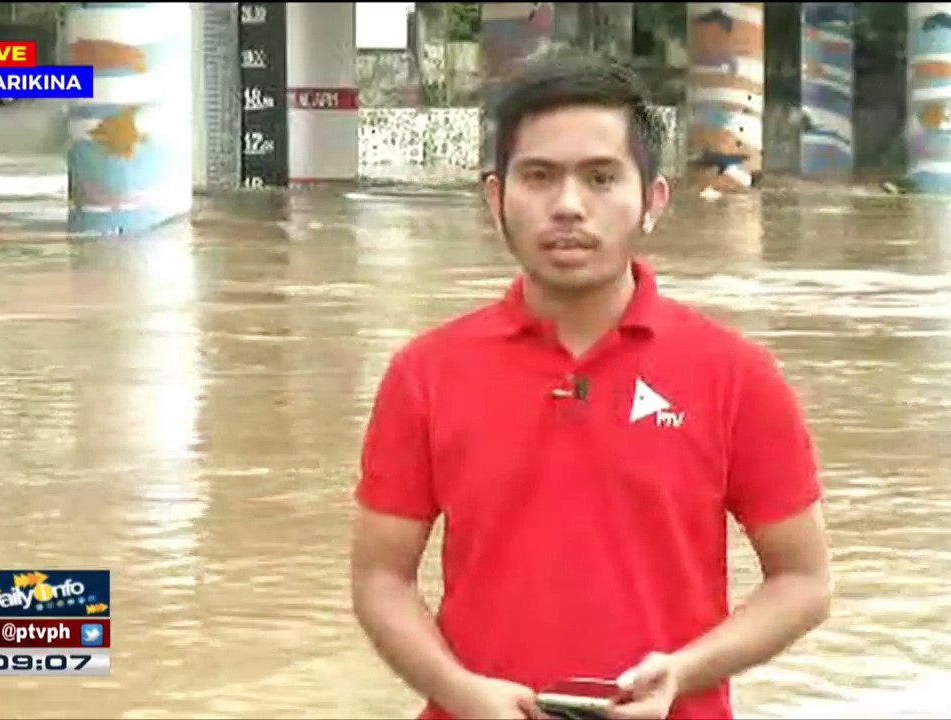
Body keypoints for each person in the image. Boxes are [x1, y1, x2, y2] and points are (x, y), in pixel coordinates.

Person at [350, 52, 833, 720]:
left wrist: (683, 672)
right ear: (496, 198)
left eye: (602, 178)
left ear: (653, 200)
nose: (569, 206)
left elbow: (804, 582)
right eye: (540, 177)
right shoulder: (425, 374)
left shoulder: (735, 376)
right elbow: (381, 579)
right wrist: (461, 693)